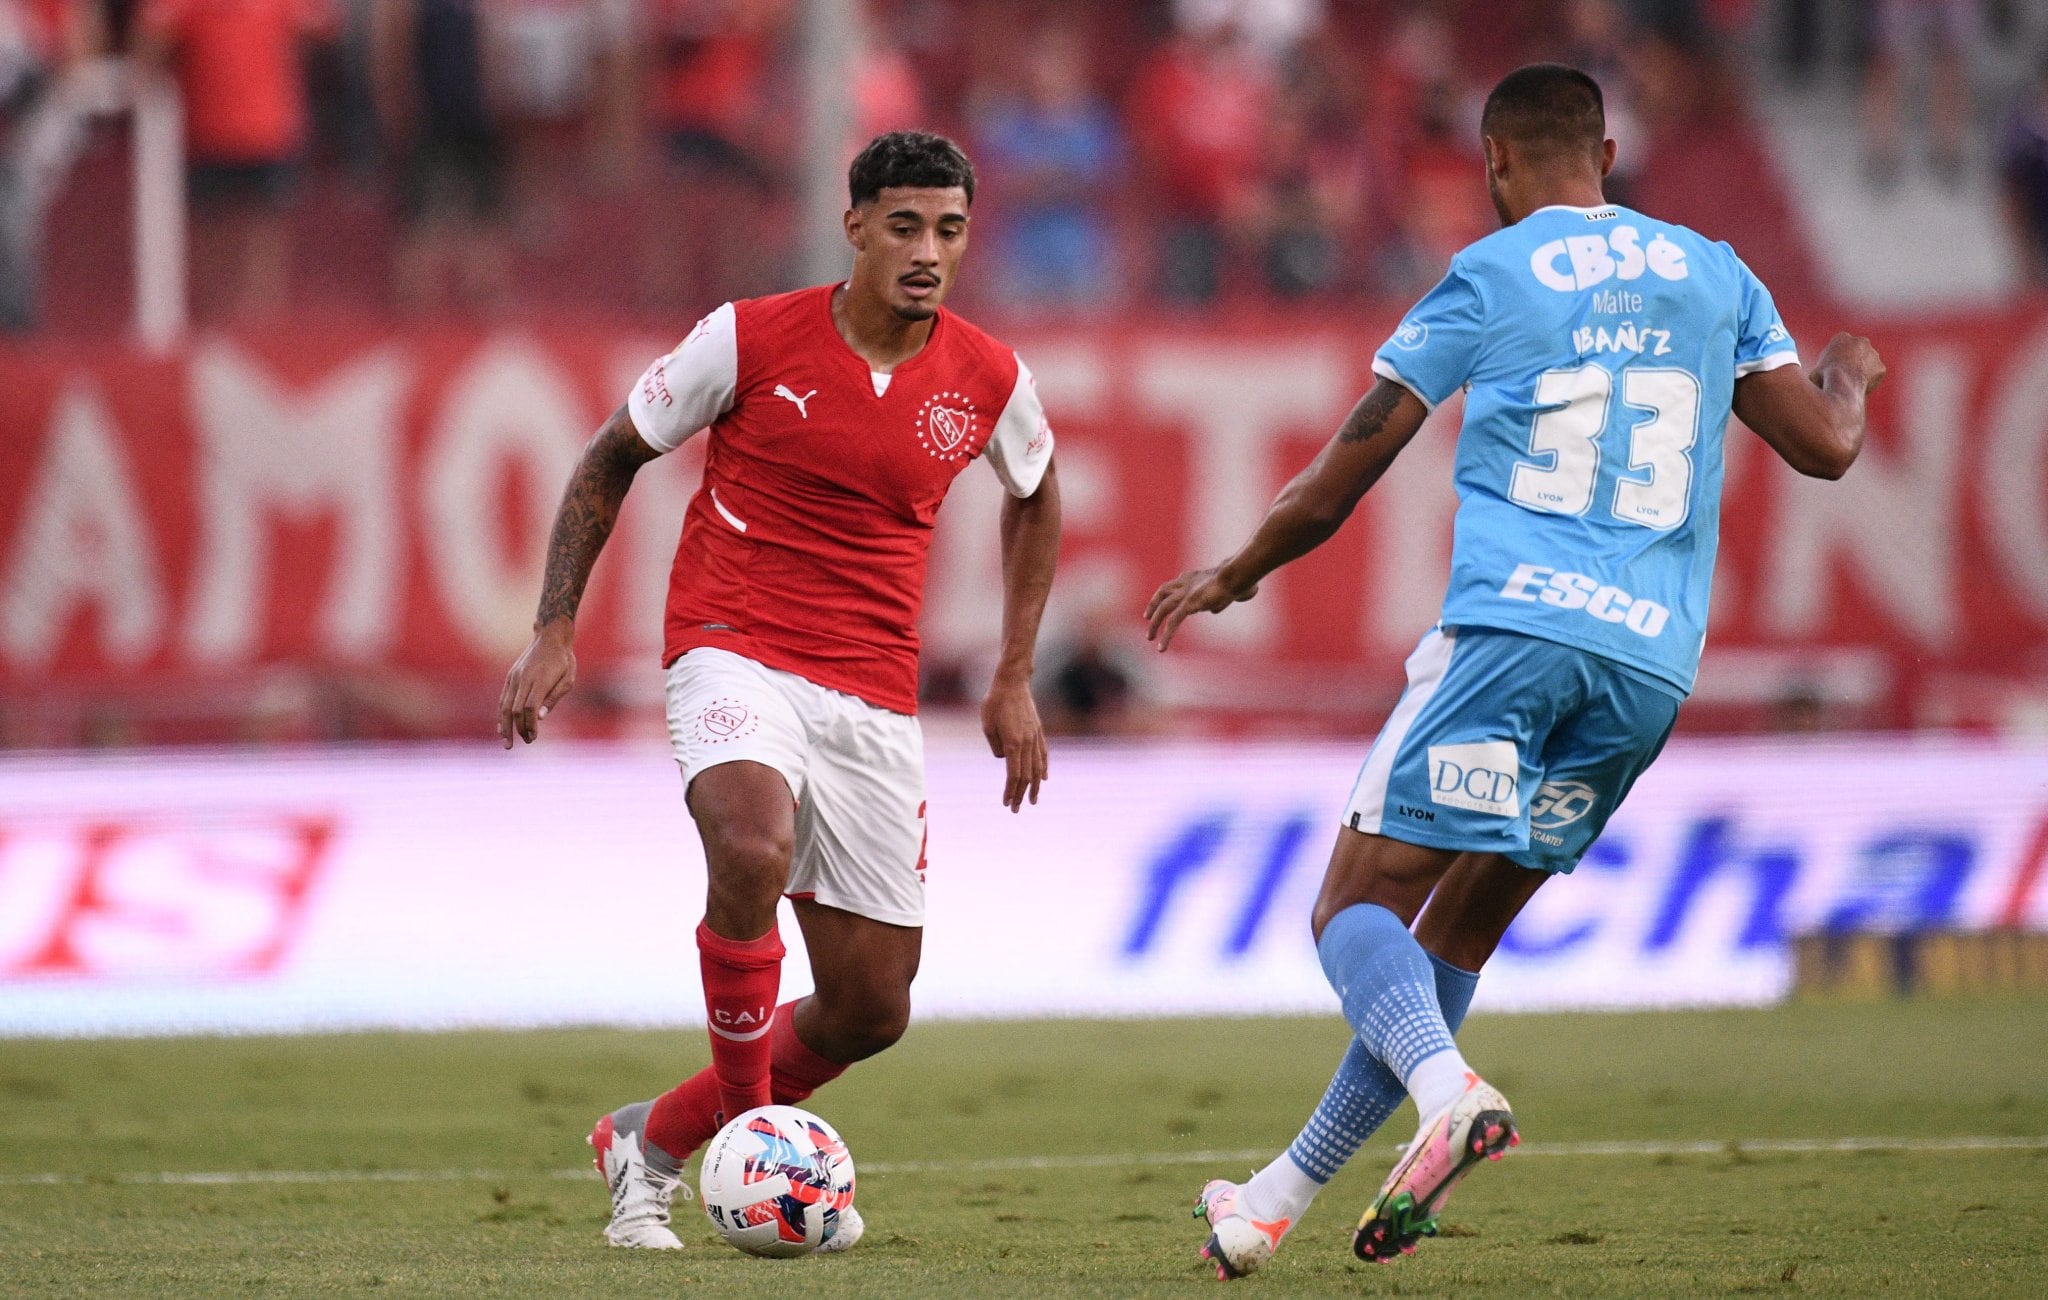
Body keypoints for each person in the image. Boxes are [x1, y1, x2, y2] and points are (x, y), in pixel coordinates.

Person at [1146, 63, 1883, 1277]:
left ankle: (1447, 1094)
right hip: (1643, 672)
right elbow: (1823, 448)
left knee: (1350, 910)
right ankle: (1271, 1198)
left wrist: (1238, 569)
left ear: (1492, 163)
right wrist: (1846, 372)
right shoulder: (1716, 272)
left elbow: (1350, 461)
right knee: (1456, 937)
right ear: (1605, 149)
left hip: (1511, 638)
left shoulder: (1489, 273)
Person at [496, 130, 1061, 1253]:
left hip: (872, 693)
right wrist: (552, 626)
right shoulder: (748, 337)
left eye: (947, 229)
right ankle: (750, 1153)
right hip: (732, 644)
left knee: (870, 1006)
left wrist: (1010, 676)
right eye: (903, 225)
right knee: (750, 846)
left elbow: (1036, 493)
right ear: (853, 227)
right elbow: (612, 455)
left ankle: (648, 1138)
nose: (926, 251)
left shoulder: (986, 376)